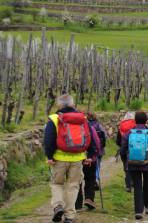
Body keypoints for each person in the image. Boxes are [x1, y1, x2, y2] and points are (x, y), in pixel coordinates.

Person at [44, 94, 98, 223]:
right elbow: (90, 138)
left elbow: (48, 140)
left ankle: (58, 206)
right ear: (73, 106)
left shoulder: (54, 119)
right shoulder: (83, 119)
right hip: (78, 159)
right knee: (73, 186)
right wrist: (90, 156)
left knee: (57, 183)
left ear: (58, 106)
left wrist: (49, 156)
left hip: (59, 158)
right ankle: (69, 216)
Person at [121, 111, 148, 220]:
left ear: (134, 121)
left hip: (133, 163)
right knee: (147, 183)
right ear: (146, 121)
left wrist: (126, 160)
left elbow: (123, 149)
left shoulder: (129, 133)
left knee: (137, 185)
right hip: (147, 162)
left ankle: (138, 211)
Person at [76, 110, 100, 212]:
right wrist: (96, 154)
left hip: (75, 158)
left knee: (77, 181)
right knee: (90, 179)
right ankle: (89, 199)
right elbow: (97, 143)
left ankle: (77, 205)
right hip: (90, 158)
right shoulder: (89, 127)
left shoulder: (68, 127)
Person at [86, 111, 107, 191]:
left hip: (88, 150)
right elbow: (104, 136)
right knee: (97, 165)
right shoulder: (99, 126)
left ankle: (90, 180)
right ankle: (96, 179)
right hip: (99, 149)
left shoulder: (85, 126)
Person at [116, 112, 136, 193]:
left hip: (124, 149)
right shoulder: (135, 125)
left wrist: (122, 145)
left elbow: (118, 141)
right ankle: (135, 182)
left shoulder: (121, 126)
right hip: (135, 148)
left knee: (127, 168)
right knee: (135, 166)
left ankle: (128, 186)